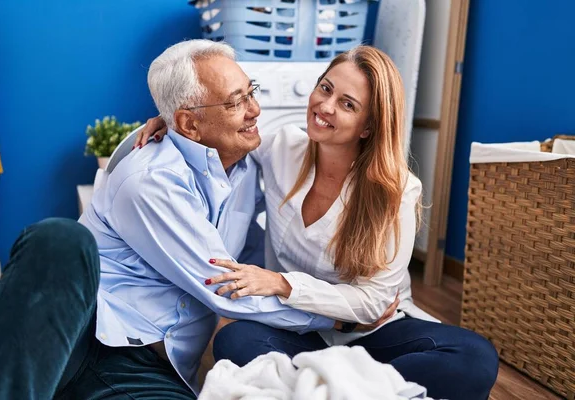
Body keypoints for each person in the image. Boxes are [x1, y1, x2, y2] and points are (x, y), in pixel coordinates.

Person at [0, 40, 393, 400]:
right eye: (236, 102)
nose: (255, 109)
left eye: (251, 92)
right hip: (84, 339)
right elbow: (226, 289)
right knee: (60, 238)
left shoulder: (245, 167)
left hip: (150, 368)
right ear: (190, 124)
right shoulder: (151, 179)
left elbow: (249, 261)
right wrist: (340, 316)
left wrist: (339, 299)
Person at [139, 45, 499, 400]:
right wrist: (176, 124)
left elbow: (373, 304)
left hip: (371, 332)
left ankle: (321, 387)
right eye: (325, 88)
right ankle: (360, 390)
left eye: (347, 104)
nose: (324, 106)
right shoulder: (282, 147)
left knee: (474, 358)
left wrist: (282, 283)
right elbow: (224, 133)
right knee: (235, 341)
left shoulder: (398, 191)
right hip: (296, 331)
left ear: (368, 126)